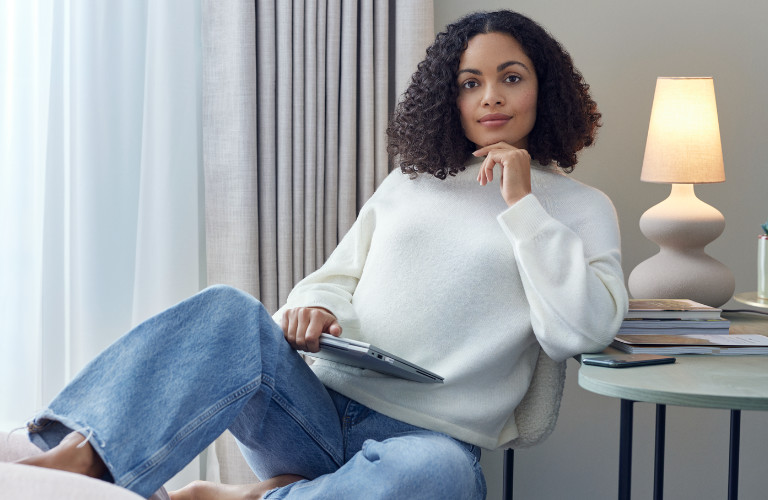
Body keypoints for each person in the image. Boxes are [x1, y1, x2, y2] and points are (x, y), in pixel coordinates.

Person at [16, 9, 628, 500]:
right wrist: (313, 307)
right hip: (312, 410)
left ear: (544, 89)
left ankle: (257, 498)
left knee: (445, 479)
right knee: (228, 309)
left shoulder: (579, 208)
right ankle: (84, 458)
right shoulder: (411, 184)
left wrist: (522, 204)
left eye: (511, 77)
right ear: (453, 99)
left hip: (424, 443)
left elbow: (579, 330)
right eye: (471, 83)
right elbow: (333, 278)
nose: (490, 97)